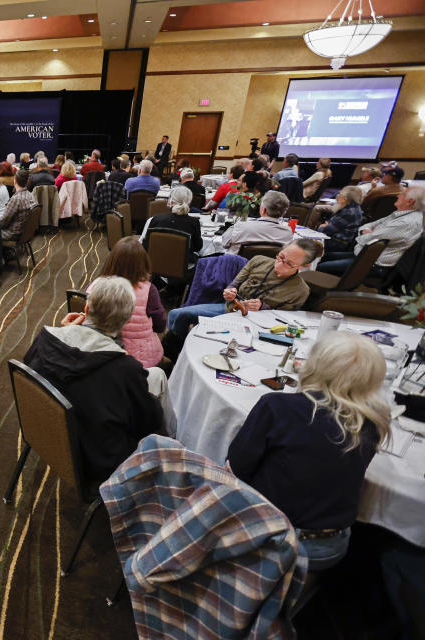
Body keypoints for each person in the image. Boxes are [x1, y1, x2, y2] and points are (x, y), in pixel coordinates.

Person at [227, 331, 391, 571]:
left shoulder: (278, 406)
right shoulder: (374, 422)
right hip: (332, 546)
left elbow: (236, 469)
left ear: (315, 365)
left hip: (272, 537)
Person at [24, 276, 164, 482]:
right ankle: (171, 453)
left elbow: (30, 372)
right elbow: (149, 422)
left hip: (44, 432)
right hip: (98, 461)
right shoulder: (125, 369)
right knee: (157, 378)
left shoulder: (45, 338)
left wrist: (65, 331)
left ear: (86, 310)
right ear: (124, 322)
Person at [166, 238, 321, 340]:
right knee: (176, 313)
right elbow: (235, 283)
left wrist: (263, 307)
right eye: (280, 257)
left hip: (258, 326)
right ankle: (175, 350)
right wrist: (230, 291)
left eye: (289, 264)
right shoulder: (259, 261)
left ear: (303, 266)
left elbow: (284, 320)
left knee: (181, 317)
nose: (279, 265)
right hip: (230, 309)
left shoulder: (301, 290)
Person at [319, 186, 424, 277]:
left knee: (321, 266)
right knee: (322, 256)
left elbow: (367, 240)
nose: (398, 196)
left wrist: (368, 234)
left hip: (373, 264)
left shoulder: (407, 222)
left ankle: (320, 296)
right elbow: (368, 226)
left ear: (410, 201)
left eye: (402, 195)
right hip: (363, 254)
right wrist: (368, 232)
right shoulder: (400, 214)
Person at [97, 238, 165, 368]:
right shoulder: (149, 290)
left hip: (106, 353)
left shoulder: (97, 286)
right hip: (142, 358)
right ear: (143, 262)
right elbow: (160, 325)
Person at [221, 190, 293, 254]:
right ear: (283, 212)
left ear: (263, 210)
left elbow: (224, 243)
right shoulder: (287, 233)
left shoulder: (242, 226)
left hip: (237, 267)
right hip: (267, 268)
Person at [144, 186, 202, 256]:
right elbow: (197, 247)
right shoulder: (193, 222)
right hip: (184, 265)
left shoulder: (155, 220)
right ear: (189, 203)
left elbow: (145, 244)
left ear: (171, 202)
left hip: (156, 263)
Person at [317, 185, 364, 253]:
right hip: (335, 239)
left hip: (336, 243)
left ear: (344, 199)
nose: (337, 196)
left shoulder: (348, 212)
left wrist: (321, 227)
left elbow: (325, 230)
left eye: (339, 194)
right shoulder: (352, 206)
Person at [0, 169, 37, 242]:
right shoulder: (31, 195)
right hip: (25, 233)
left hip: (13, 234)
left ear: (15, 181)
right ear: (27, 182)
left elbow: (3, 223)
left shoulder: (16, 199)